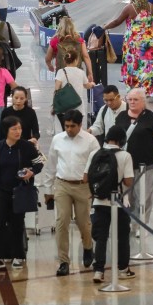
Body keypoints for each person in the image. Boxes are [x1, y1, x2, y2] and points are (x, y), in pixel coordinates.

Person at [36, 109, 99, 276]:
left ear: (80, 125)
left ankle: (87, 247)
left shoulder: (91, 141)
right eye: (66, 126)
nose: (69, 129)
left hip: (82, 186)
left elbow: (97, 167)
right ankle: (63, 261)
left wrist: (95, 188)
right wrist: (48, 189)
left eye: (72, 126)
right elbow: (51, 166)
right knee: (61, 222)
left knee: (83, 223)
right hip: (62, 185)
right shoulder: (58, 139)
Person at [0, 116, 44, 270]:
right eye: (14, 129)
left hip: (19, 191)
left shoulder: (27, 147)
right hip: (1, 191)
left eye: (19, 128)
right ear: (6, 131)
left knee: (17, 223)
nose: (18, 132)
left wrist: (31, 172)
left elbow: (39, 164)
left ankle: (18, 255)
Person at [86, 123, 136, 283]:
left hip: (99, 201)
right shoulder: (125, 155)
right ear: (122, 140)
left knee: (101, 237)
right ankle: (123, 269)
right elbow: (128, 182)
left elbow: (85, 178)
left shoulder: (95, 153)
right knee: (122, 236)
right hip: (120, 203)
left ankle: (98, 271)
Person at [113, 88, 153, 223]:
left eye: (136, 100)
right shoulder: (121, 117)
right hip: (125, 165)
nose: (132, 102)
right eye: (130, 99)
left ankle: (142, 223)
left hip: (147, 164)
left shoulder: (151, 118)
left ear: (143, 101)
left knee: (144, 196)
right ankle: (131, 222)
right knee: (128, 196)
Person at [102, 0, 153, 95]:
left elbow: (117, 21)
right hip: (149, 40)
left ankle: (134, 88)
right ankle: (149, 90)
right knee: (148, 65)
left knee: (134, 64)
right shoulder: (150, 6)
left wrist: (104, 27)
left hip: (134, 42)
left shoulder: (130, 8)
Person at [45, 16, 94, 83]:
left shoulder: (55, 41)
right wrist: (90, 73)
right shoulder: (79, 40)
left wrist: (50, 66)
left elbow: (48, 58)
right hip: (77, 72)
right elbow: (86, 57)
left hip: (61, 73)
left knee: (61, 92)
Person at [53, 47, 94, 127]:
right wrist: (92, 84)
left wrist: (55, 105)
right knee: (77, 129)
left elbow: (56, 90)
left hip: (64, 107)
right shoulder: (81, 72)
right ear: (76, 60)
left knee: (66, 129)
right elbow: (87, 86)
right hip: (78, 106)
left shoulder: (61, 72)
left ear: (65, 61)